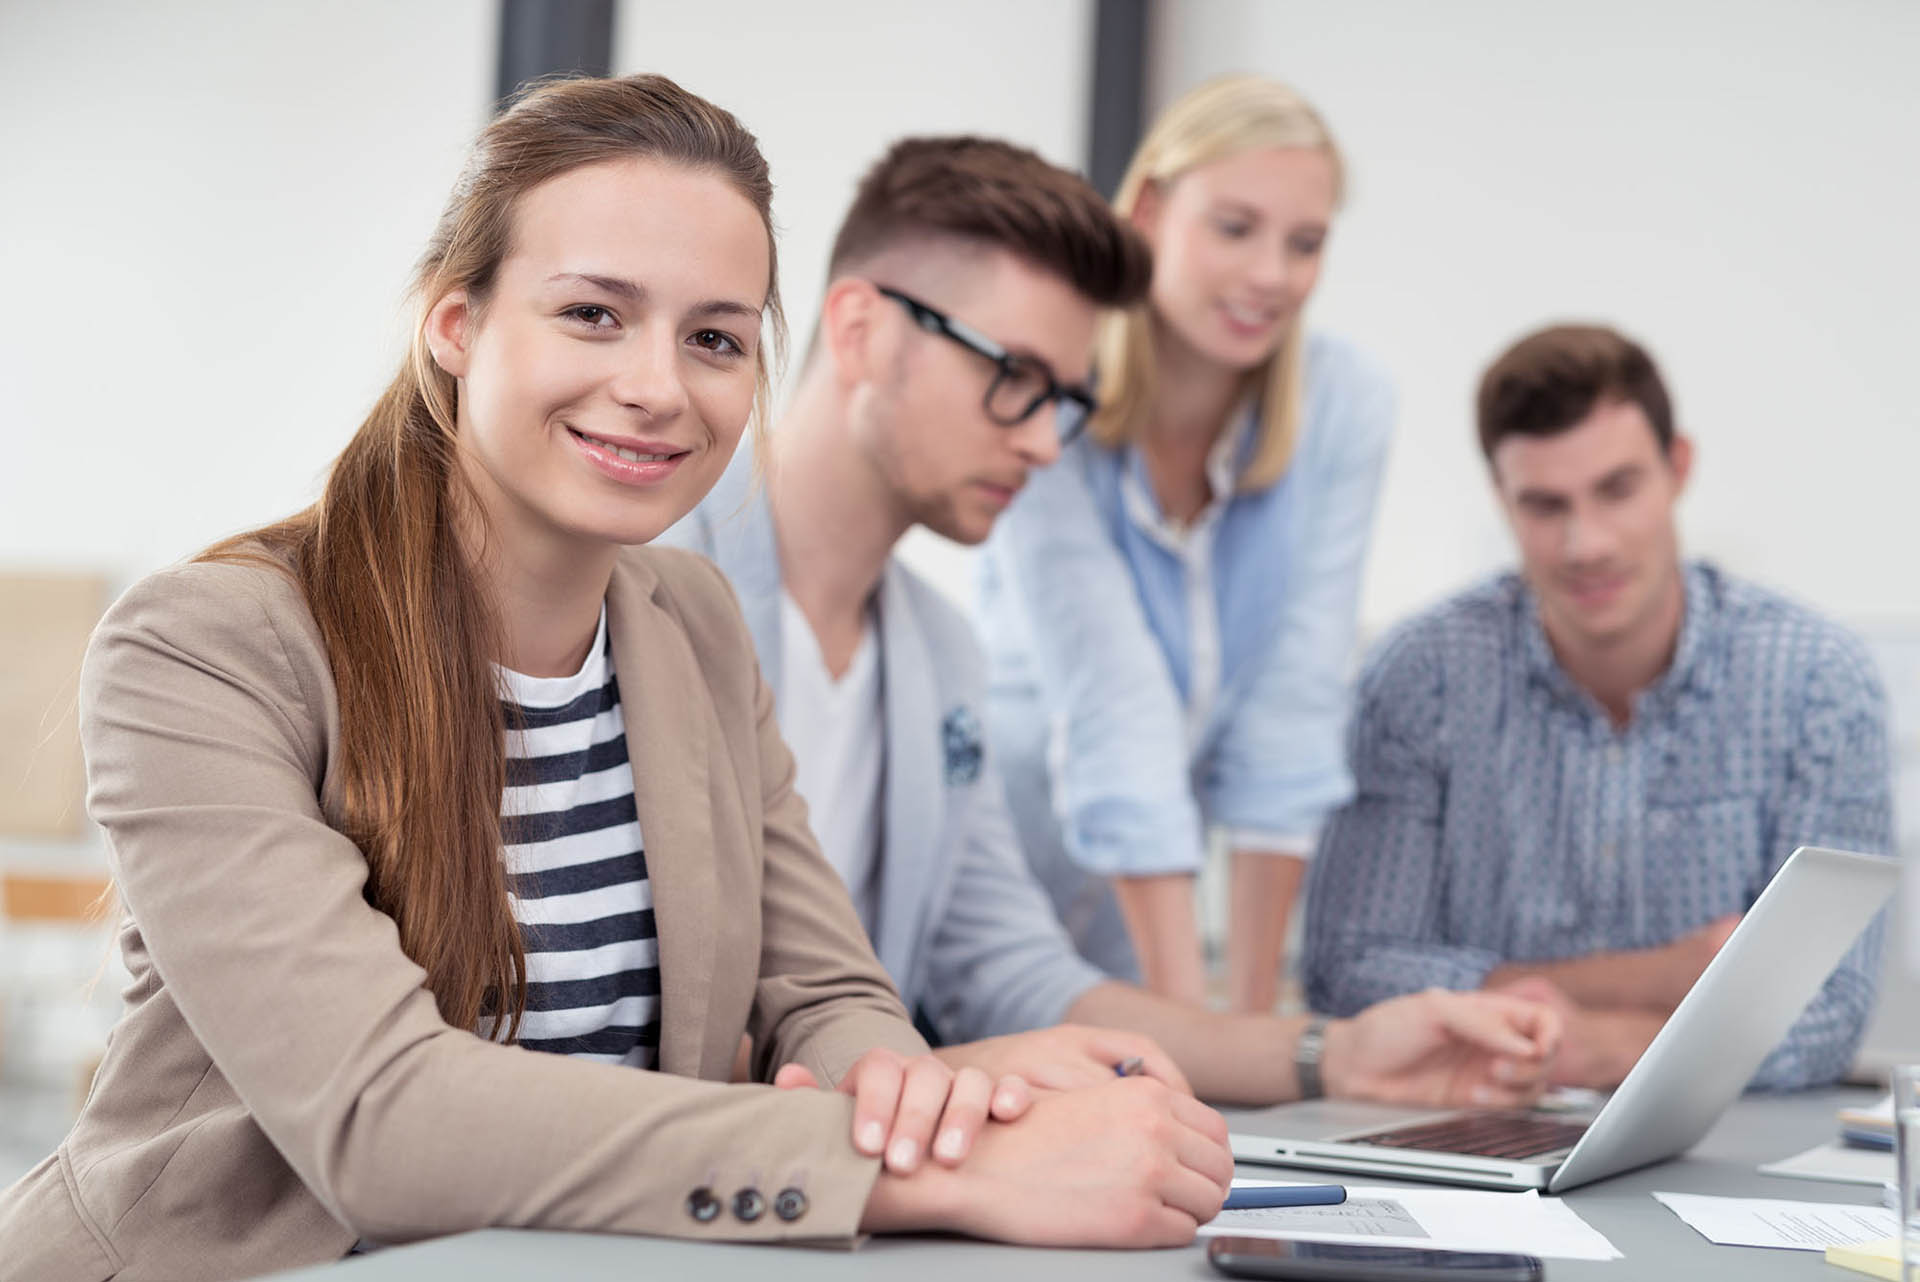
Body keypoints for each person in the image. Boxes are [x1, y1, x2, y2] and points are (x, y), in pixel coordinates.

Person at [0, 76, 1245, 1282]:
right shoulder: (205, 648)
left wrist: (905, 1094)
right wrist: (936, 1174)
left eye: (714, 338)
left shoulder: (692, 625)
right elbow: (382, 1115)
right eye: (593, 313)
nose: (658, 386)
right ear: (457, 322)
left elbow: (828, 988)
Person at [663, 134, 1559, 1112]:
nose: (1046, 442)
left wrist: (1330, 1055)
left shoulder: (937, 659)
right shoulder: (645, 581)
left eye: (1065, 399)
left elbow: (1018, 973)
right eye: (1015, 376)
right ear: (861, 329)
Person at [1303, 322, 1894, 1091]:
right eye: (1546, 505)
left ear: (1677, 468)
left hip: (1724, 1144)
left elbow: (1828, 1009)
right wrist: (1668, 976)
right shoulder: (1420, 680)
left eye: (1617, 489)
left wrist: (1592, 1047)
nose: (1587, 544)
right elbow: (1349, 972)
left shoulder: (1817, 683)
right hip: (1470, 1123)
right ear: (1503, 501)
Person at [975, 76, 1392, 1012]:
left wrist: (1245, 1034)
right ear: (1153, 211)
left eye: (1305, 243)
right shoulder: (1056, 393)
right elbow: (1112, 707)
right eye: (1235, 228)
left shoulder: (1343, 407)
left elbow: (1292, 707)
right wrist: (1199, 1048)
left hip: (1141, 925)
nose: (1271, 275)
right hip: (994, 892)